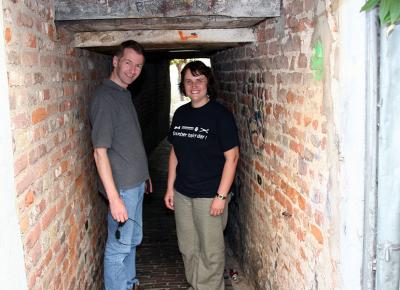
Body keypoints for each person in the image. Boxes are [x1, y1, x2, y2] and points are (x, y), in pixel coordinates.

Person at [164, 61, 240, 290]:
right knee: (188, 247)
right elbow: (175, 152)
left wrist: (221, 196)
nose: (194, 85)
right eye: (188, 81)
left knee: (211, 250)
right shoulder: (180, 114)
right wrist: (169, 188)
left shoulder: (220, 116)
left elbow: (232, 157)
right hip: (183, 193)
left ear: (208, 84)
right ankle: (196, 285)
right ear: (183, 85)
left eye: (199, 80)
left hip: (209, 195)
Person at [89, 40, 152, 290]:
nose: (132, 70)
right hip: (123, 191)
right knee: (118, 249)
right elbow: (99, 153)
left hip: (134, 185)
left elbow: (129, 140)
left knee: (132, 241)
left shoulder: (123, 93)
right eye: (128, 62)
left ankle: (129, 284)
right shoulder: (105, 98)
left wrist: (145, 174)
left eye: (138, 66)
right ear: (115, 61)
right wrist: (115, 199)